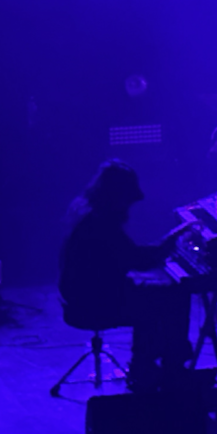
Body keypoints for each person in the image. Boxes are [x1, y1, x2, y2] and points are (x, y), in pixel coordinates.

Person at [59, 160, 194, 392]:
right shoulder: (101, 223)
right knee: (174, 293)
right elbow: (136, 260)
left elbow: (124, 257)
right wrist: (171, 241)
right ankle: (163, 366)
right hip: (93, 302)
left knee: (155, 292)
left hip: (80, 295)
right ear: (117, 195)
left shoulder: (87, 210)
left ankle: (147, 363)